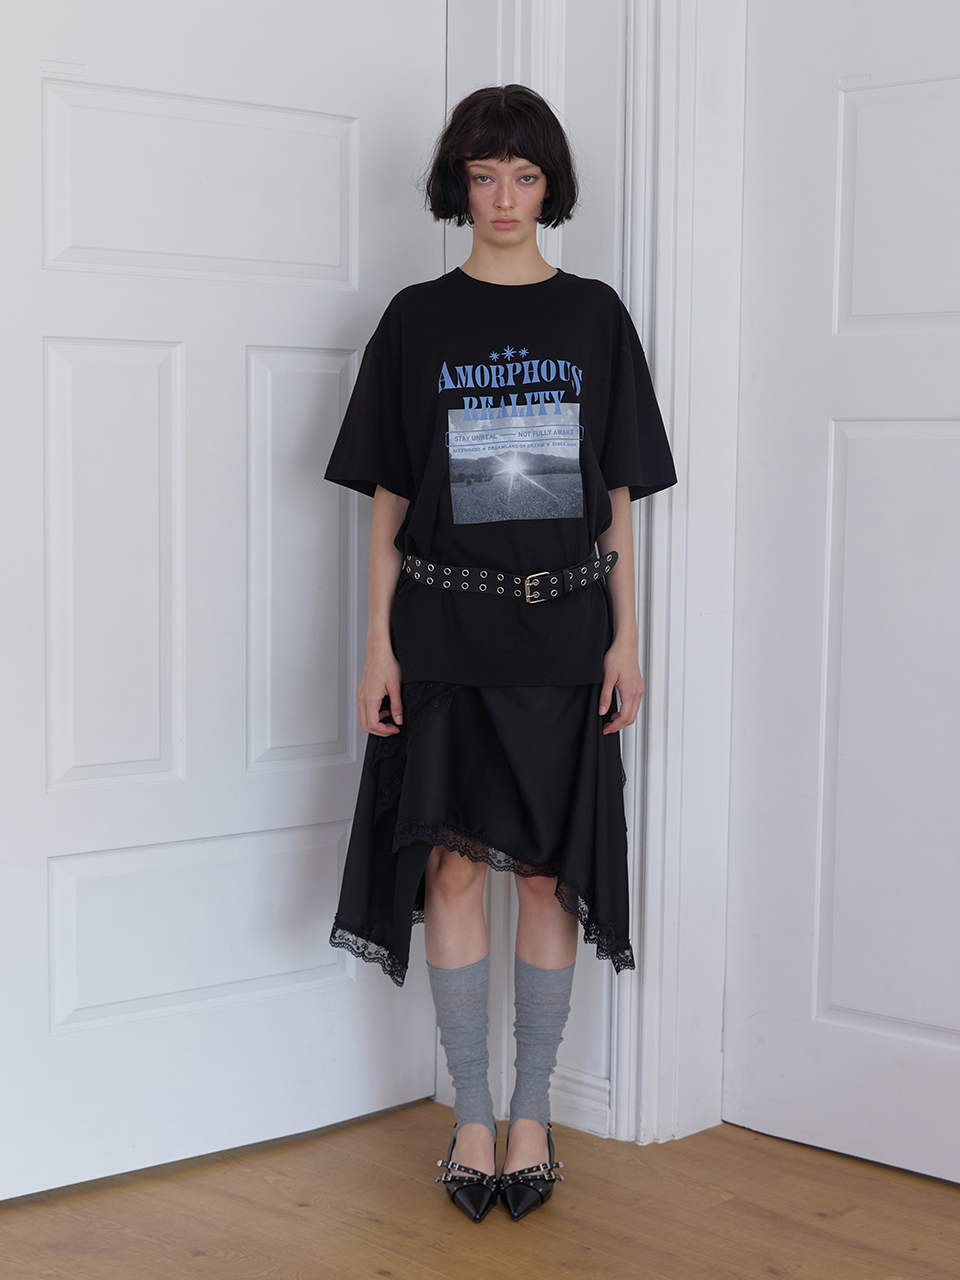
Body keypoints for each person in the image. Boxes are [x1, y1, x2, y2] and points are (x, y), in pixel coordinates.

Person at [325, 84, 676, 1223]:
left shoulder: (595, 316)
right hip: (443, 633)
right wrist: (376, 644)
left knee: (547, 874)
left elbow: (615, 497)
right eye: (485, 176)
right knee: (454, 868)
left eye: (524, 176)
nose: (505, 198)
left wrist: (628, 636)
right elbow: (390, 496)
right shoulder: (416, 320)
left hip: (565, 635)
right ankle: (471, 1112)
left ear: (549, 186)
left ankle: (534, 1112)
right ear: (458, 186)